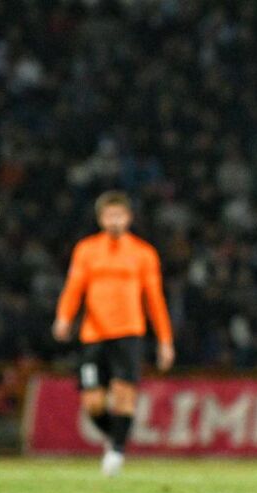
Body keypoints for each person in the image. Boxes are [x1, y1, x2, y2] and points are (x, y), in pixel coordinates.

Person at [53, 191, 174, 476]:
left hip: (129, 332)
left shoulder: (143, 253)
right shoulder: (86, 250)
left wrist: (165, 340)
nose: (115, 221)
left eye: (119, 215)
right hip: (93, 335)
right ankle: (116, 437)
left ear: (129, 218)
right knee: (93, 403)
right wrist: (64, 317)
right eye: (110, 216)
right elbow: (74, 288)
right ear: (101, 219)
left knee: (123, 395)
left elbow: (154, 299)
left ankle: (117, 451)